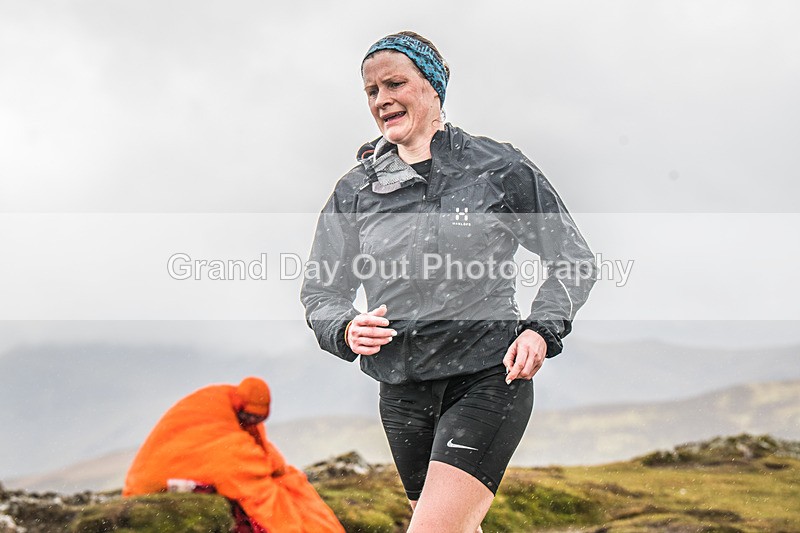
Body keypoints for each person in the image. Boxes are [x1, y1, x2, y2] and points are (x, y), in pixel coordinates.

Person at [301, 31, 596, 532]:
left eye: (396, 83)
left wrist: (540, 329)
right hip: (401, 391)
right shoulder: (357, 189)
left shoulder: (497, 168)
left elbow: (573, 258)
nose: (382, 99)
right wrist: (345, 328)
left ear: (432, 87)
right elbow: (321, 292)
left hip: (487, 376)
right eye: (372, 91)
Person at [123, 377, 344, 533]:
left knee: (290, 482)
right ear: (240, 407)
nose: (252, 423)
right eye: (248, 417)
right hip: (154, 481)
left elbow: (262, 450)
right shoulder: (212, 407)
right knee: (264, 492)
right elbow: (227, 459)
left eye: (257, 420)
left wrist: (276, 468)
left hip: (178, 471)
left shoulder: (236, 409)